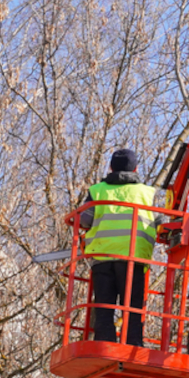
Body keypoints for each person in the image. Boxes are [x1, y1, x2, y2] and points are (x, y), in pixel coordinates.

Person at [79, 148, 158, 347]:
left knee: (104, 305)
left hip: (102, 257)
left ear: (111, 167)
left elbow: (84, 220)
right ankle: (133, 344)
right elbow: (159, 223)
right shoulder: (147, 193)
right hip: (133, 259)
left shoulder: (98, 191)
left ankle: (103, 342)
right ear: (136, 169)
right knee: (132, 306)